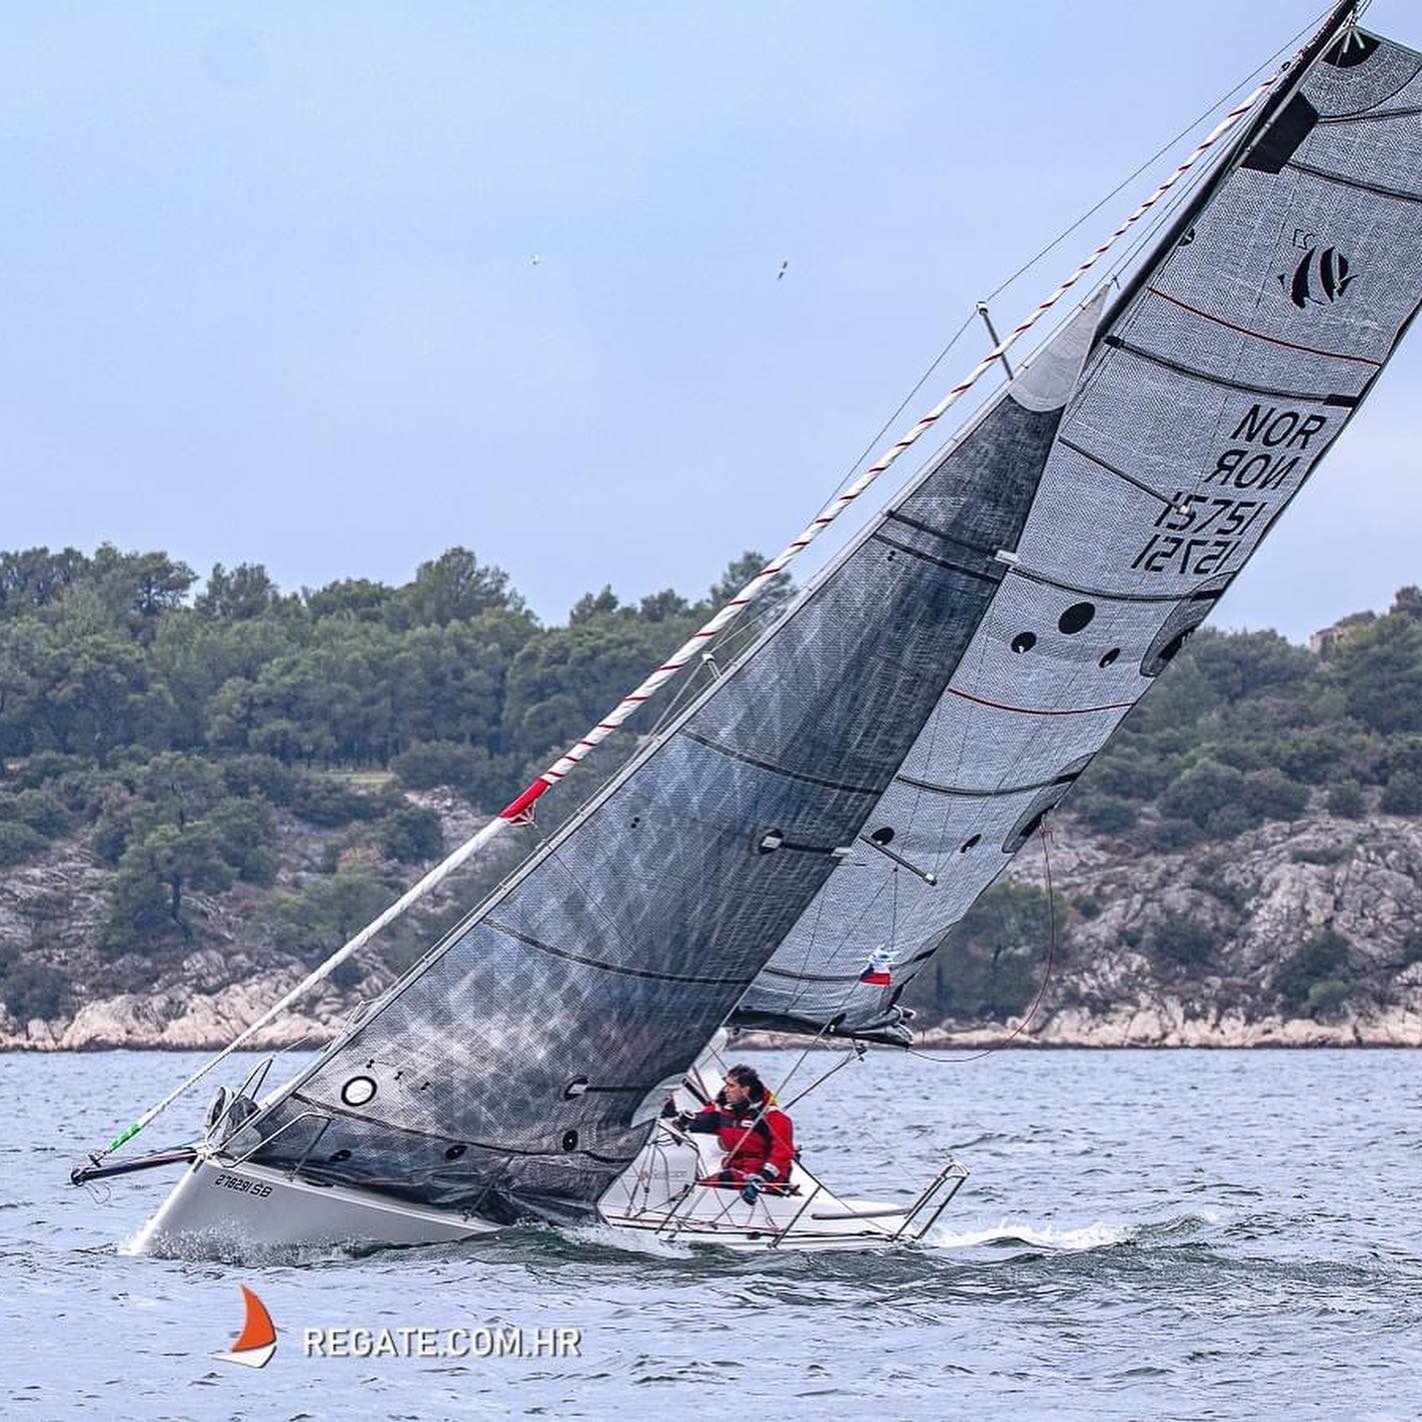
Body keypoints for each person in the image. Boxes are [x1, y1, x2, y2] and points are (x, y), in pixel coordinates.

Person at [680, 1064, 795, 1200]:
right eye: (726, 1085)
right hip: (737, 1172)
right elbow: (700, 1120)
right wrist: (679, 1119)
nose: (726, 1090)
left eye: (731, 1086)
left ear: (745, 1090)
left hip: (763, 1180)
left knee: (710, 1185)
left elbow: (783, 1154)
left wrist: (764, 1177)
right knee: (695, 1183)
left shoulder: (773, 1118)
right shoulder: (724, 1111)